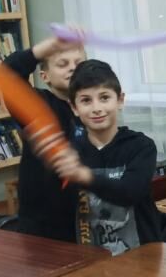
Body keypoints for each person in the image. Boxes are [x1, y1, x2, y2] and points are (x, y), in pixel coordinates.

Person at [53, 59, 160, 254]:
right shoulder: (69, 152)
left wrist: (85, 176)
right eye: (86, 100)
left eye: (104, 98)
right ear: (74, 107)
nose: (96, 108)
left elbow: (131, 192)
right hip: (88, 259)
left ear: (120, 100)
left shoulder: (141, 146)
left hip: (142, 258)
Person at [3, 36, 86, 241]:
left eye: (78, 63)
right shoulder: (38, 106)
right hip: (42, 223)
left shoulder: (93, 110)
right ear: (45, 76)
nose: (72, 68)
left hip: (84, 218)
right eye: (63, 64)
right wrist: (46, 48)